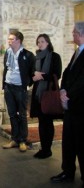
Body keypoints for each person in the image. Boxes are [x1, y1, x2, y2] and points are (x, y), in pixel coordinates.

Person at [51, 21, 84, 185]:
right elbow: (67, 72)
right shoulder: (78, 51)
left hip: (80, 104)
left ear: (81, 34)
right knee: (69, 140)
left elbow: (82, 81)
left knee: (81, 142)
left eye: (74, 33)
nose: (73, 35)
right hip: (71, 104)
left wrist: (68, 94)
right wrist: (63, 90)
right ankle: (68, 171)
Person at [30, 34, 62, 159]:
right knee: (41, 122)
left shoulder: (54, 56)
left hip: (48, 93)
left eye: (42, 41)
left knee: (47, 122)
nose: (40, 44)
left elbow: (57, 75)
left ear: (48, 43)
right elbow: (32, 73)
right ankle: (44, 148)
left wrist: (41, 76)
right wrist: (34, 75)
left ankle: (47, 149)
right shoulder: (36, 57)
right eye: (38, 42)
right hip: (38, 93)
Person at [2, 30, 35, 152]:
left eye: (12, 39)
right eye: (9, 39)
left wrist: (26, 84)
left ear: (18, 41)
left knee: (22, 115)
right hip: (9, 87)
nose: (9, 41)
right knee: (12, 114)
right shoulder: (8, 52)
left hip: (20, 88)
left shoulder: (27, 55)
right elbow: (6, 68)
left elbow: (33, 71)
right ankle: (14, 139)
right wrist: (5, 85)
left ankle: (22, 140)